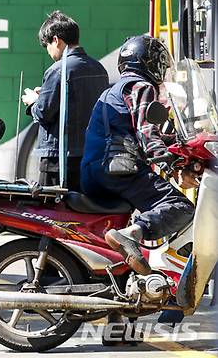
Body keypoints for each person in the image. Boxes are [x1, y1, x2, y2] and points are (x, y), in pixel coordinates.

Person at [80, 35, 197, 275]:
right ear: (148, 62)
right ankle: (131, 233)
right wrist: (174, 166)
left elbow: (133, 130)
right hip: (119, 169)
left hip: (93, 172)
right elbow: (146, 135)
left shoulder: (113, 90)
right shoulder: (141, 87)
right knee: (179, 205)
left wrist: (176, 144)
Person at [23, 11, 109, 190]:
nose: (48, 51)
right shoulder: (99, 69)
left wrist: (33, 102)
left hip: (59, 160)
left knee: (55, 213)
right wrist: (46, 94)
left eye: (47, 45)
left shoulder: (57, 71)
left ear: (56, 40)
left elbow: (43, 113)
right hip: (93, 155)